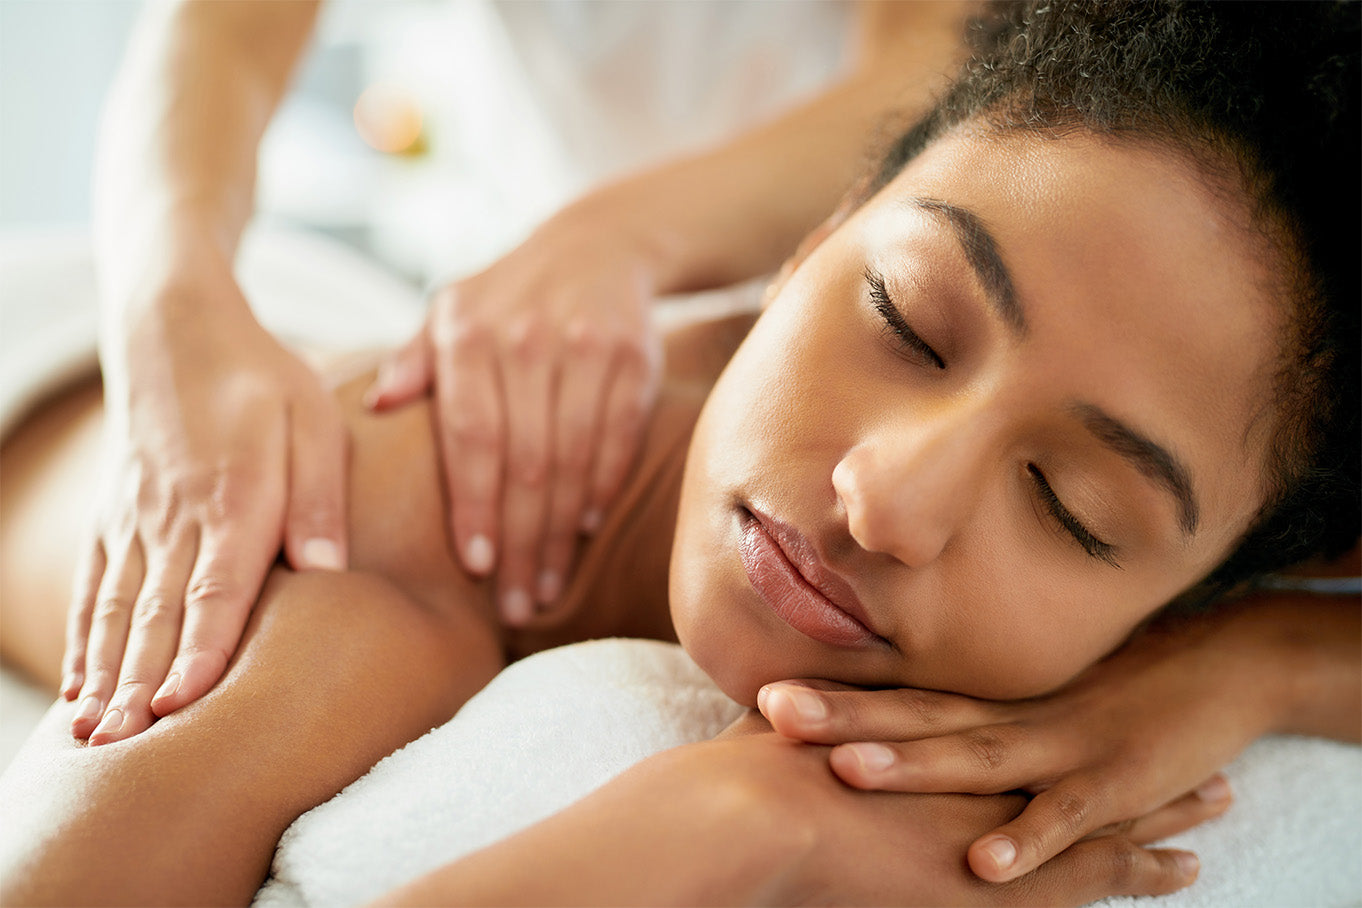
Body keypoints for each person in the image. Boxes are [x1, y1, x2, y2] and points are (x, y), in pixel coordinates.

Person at [1, 1, 1358, 904]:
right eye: (903, 319)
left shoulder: (1207, 597)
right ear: (812, 241)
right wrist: (738, 828)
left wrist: (1257, 666)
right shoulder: (366, 571)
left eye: (1073, 510)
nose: (886, 495)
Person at [74, 0, 974, 752]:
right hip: (513, 307)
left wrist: (618, 237)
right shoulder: (394, 502)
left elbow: (949, 54)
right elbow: (226, 32)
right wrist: (168, 313)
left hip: (726, 290)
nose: (883, 509)